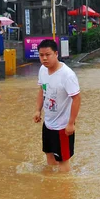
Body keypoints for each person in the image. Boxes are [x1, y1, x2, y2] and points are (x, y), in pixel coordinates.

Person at [33, 39, 81, 172]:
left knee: (63, 162)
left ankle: (64, 190)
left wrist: (71, 123)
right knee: (49, 155)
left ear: (56, 54)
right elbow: (42, 90)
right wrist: (38, 110)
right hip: (48, 123)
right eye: (41, 55)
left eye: (48, 54)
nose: (44, 58)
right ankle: (51, 188)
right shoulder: (43, 70)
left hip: (62, 126)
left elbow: (76, 98)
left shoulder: (67, 75)